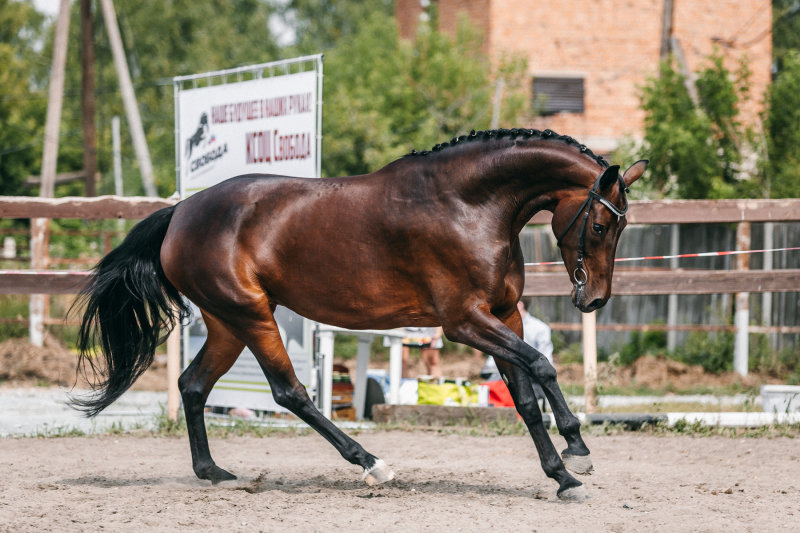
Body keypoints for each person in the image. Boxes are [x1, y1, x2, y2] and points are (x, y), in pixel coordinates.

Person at [481, 299, 553, 407]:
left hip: (531, 379)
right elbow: (492, 361)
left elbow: (546, 363)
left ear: (519, 305)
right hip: (503, 377)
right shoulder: (502, 327)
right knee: (487, 389)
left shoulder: (540, 329)